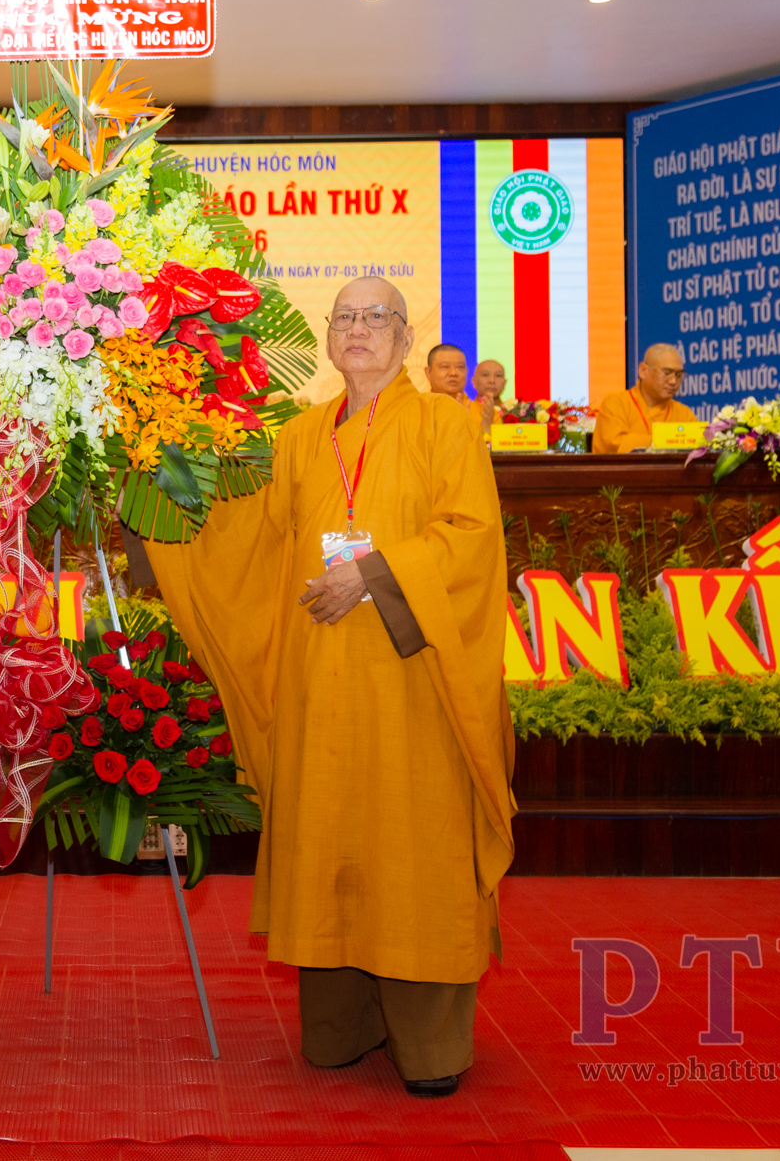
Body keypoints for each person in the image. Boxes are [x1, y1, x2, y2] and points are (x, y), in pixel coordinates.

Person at [143, 277, 514, 1099]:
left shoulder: (447, 424)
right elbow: (250, 537)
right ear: (327, 334)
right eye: (345, 317)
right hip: (320, 676)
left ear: (405, 337)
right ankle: (343, 1025)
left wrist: (373, 575)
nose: (358, 329)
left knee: (413, 846)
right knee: (334, 837)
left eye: (376, 317)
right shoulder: (303, 434)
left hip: (413, 680)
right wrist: (155, 487)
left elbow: (471, 537)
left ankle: (428, 1043)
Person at [591, 344, 698, 453]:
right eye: (667, 373)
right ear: (643, 370)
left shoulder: (684, 413)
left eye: (678, 375)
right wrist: (667, 441)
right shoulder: (616, 404)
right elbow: (615, 444)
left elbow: (698, 447)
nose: (673, 381)